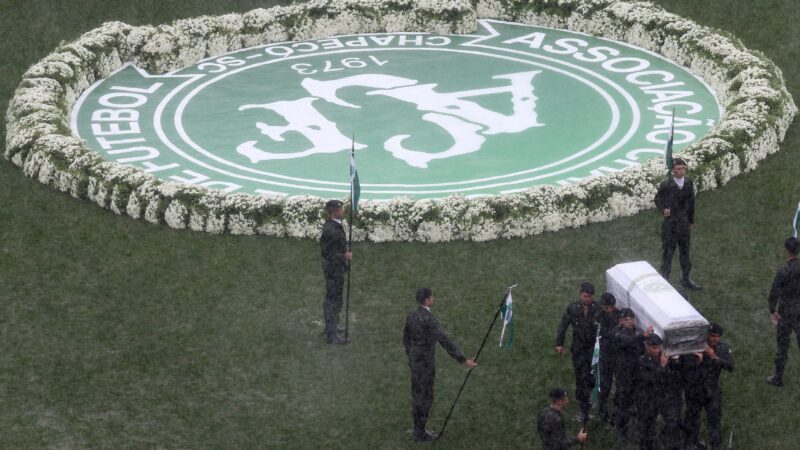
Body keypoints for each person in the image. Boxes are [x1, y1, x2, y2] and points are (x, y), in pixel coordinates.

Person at [403, 288, 477, 442]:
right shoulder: (429, 320)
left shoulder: (411, 316)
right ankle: (420, 432)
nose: (434, 298)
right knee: (426, 398)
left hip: (415, 363)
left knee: (417, 396)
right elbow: (444, 341)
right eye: (432, 297)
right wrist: (464, 360)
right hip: (425, 364)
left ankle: (417, 428)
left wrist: (411, 357)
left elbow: (406, 339)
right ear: (427, 300)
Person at [683, 323, 733, 450]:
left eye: (717, 336)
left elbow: (730, 366)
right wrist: (698, 362)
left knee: (714, 420)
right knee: (693, 418)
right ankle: (691, 443)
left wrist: (715, 357)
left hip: (712, 390)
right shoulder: (695, 348)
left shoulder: (723, 348)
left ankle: (715, 445)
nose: (715, 339)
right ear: (707, 336)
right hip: (696, 389)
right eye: (712, 336)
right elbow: (686, 370)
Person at [555, 282, 600, 422]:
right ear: (580, 294)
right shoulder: (573, 308)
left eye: (590, 297)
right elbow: (563, 325)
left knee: (592, 375)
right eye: (585, 296)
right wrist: (559, 343)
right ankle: (583, 404)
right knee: (580, 376)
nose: (587, 299)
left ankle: (592, 396)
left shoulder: (597, 308)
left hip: (592, 349)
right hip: (579, 348)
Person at [655, 157, 701, 290]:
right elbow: (657, 199)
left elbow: (691, 202)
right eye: (678, 169)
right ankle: (665, 280)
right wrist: (663, 209)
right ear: (672, 170)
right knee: (668, 254)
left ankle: (686, 279)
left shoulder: (688, 183)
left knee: (685, 253)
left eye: (683, 169)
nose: (681, 172)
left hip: (684, 224)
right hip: (670, 225)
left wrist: (691, 220)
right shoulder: (666, 184)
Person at [611, 308, 652, 443]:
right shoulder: (617, 333)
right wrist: (643, 336)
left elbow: (639, 347)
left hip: (637, 372)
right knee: (623, 401)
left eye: (632, 319)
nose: (630, 322)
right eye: (626, 319)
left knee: (638, 399)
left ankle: (639, 429)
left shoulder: (636, 332)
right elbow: (629, 341)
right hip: (624, 374)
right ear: (620, 321)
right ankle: (620, 429)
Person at [636, 334, 683, 450]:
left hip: (665, 396)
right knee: (648, 426)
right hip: (649, 398)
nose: (657, 350)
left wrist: (676, 362)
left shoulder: (665, 358)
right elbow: (650, 379)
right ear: (647, 347)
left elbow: (676, 375)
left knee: (672, 423)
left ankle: (673, 445)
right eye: (654, 348)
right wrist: (662, 367)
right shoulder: (642, 361)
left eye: (658, 347)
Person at [766, 236, 800, 386]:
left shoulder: (783, 271)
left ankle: (778, 378)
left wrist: (772, 310)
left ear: (787, 250)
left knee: (782, 347)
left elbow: (774, 292)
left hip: (786, 313)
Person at [319, 199, 352, 345]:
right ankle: (331, 335)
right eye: (341, 209)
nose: (343, 211)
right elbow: (326, 253)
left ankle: (332, 326)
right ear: (334, 212)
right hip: (333, 270)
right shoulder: (331, 229)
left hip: (335, 269)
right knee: (333, 300)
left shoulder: (334, 225)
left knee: (335, 299)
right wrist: (343, 256)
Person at [595, 292, 620, 424]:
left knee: (621, 382)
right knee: (605, 384)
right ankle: (603, 409)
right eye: (606, 307)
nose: (608, 310)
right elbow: (601, 334)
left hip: (618, 353)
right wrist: (616, 331)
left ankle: (617, 409)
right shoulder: (599, 317)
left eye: (610, 307)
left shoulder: (619, 314)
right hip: (605, 354)